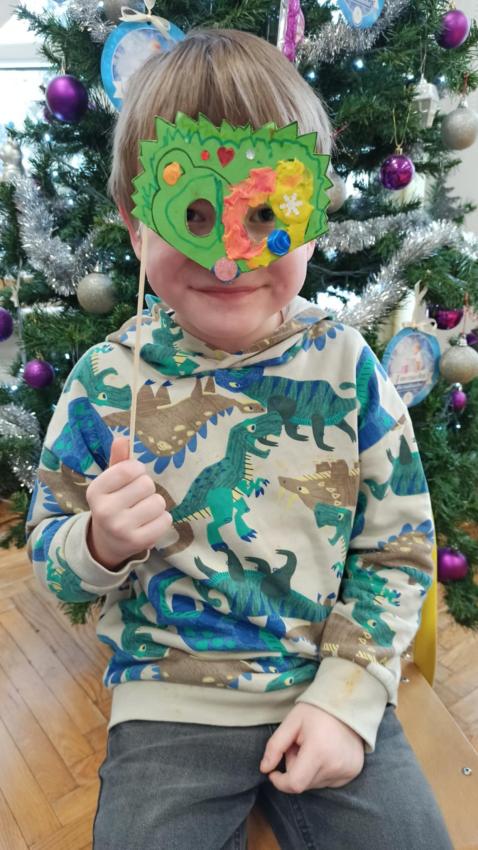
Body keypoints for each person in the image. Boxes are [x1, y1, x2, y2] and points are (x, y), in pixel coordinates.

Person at [26, 29, 453, 850]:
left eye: (265, 213)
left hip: (330, 679)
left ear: (313, 219)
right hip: (168, 701)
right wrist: (99, 542)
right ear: (135, 224)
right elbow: (56, 562)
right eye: (191, 214)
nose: (228, 261)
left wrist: (348, 697)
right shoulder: (103, 383)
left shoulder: (349, 369)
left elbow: (398, 549)